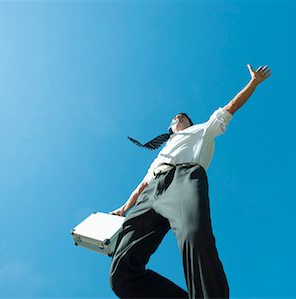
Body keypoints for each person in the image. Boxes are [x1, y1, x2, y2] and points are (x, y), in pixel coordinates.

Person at [109, 64, 271, 298]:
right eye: (175, 117)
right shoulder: (160, 155)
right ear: (170, 129)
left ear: (190, 123)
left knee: (195, 235)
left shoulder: (202, 130)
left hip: (184, 178)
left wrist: (253, 83)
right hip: (152, 190)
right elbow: (142, 186)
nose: (178, 115)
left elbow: (231, 107)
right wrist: (124, 208)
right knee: (120, 275)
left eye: (183, 116)